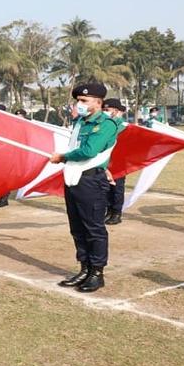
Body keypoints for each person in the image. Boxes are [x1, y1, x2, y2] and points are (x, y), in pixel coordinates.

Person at [49, 84, 119, 293]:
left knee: (93, 228)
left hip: (91, 181)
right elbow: (74, 146)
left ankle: (97, 272)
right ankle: (84, 268)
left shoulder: (106, 124)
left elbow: (89, 150)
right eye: (78, 100)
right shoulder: (80, 121)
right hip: (74, 178)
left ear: (99, 103)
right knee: (77, 227)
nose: (79, 104)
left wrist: (62, 157)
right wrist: (65, 157)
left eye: (84, 101)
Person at [102, 99, 127, 224]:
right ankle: (109, 211)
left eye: (107, 110)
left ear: (116, 111)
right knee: (106, 188)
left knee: (117, 188)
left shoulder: (123, 126)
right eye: (104, 110)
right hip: (107, 161)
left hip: (118, 162)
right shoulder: (105, 124)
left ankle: (117, 213)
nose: (104, 112)